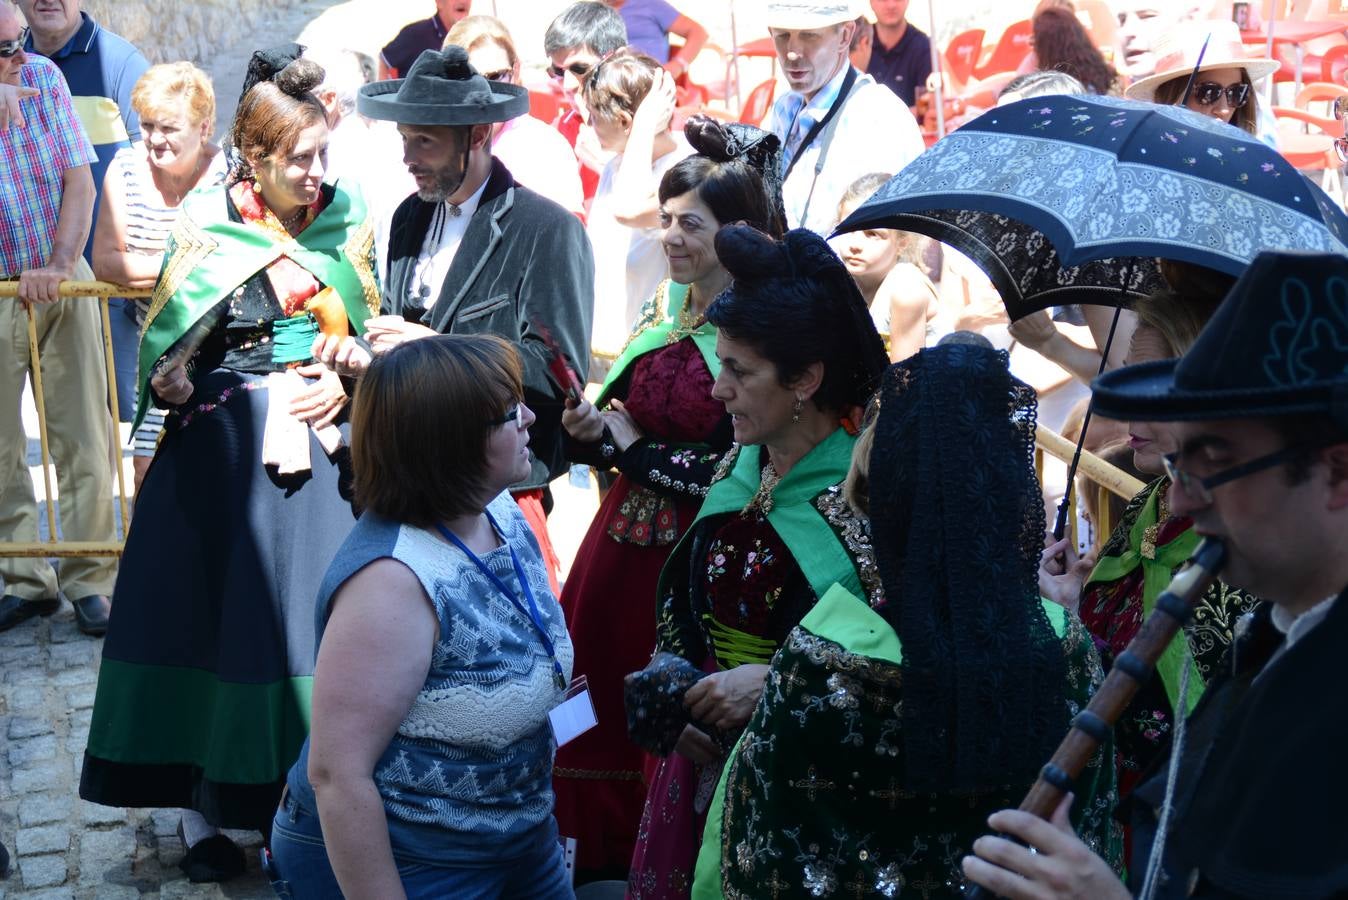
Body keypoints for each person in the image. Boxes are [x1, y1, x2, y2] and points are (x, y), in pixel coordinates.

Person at [79, 50, 380, 883]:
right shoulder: (205, 229)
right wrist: (171, 381)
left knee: (298, 638)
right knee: (208, 628)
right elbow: (172, 357)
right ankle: (200, 811)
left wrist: (342, 370)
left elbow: (371, 333)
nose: (317, 175)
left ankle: (295, 810)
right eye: (299, 160)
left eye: (323, 155)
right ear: (253, 157)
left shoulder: (344, 221)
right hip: (216, 466)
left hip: (316, 469)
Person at [964, 249, 1348, 899]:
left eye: (1215, 460)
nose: (1179, 502)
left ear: (1337, 471)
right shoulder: (1275, 636)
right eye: (1181, 464)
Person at [692, 338, 1124, 899]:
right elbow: (1090, 842)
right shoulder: (1071, 655)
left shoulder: (819, 664)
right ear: (1012, 499)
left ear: (881, 500)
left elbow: (756, 857)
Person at [551, 116, 785, 883]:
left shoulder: (763, 333)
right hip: (619, 543)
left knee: (664, 695)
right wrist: (595, 427)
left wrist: (635, 449)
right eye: (665, 220)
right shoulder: (662, 312)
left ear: (739, 232)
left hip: (699, 550)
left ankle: (654, 858)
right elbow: (625, 429)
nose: (672, 237)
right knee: (588, 683)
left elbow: (736, 459)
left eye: (691, 223)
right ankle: (583, 849)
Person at [625, 225, 889, 898]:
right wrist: (678, 696)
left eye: (739, 372)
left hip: (802, 792)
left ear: (806, 379)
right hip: (705, 764)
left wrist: (775, 684)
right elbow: (684, 612)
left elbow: (895, 670)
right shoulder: (742, 463)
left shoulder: (862, 498)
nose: (718, 392)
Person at [267, 335, 573, 899]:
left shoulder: (498, 508)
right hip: (419, 862)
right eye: (510, 413)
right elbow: (338, 777)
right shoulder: (391, 583)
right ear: (451, 443)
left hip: (523, 839)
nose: (530, 416)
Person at [337, 47, 595, 595]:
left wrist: (439, 347)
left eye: (424, 140)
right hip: (411, 480)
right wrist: (364, 356)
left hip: (497, 493)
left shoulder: (546, 228)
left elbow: (561, 375)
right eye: (405, 138)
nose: (408, 156)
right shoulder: (410, 215)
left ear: (477, 135)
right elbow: (398, 329)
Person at [1036, 290, 1260, 823]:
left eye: (1153, 385)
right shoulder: (1149, 503)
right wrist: (1071, 606)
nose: (1121, 406)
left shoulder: (1253, 543)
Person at [0, 2, 114, 637]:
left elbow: (80, 180)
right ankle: (25, 581)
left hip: (60, 282)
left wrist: (61, 263)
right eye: (5, 51)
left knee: (84, 441)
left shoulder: (45, 77)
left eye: (20, 41)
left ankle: (91, 580)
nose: (20, 56)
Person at [90, 62, 227, 494]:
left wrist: (148, 264)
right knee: (147, 472)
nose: (154, 139)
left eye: (168, 127)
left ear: (204, 128)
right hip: (158, 353)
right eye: (147, 125)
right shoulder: (126, 169)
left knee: (220, 470)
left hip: (223, 349)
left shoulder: (227, 175)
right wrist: (188, 264)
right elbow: (107, 264)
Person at [18, 0, 150, 419]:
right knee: (63, 422)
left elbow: (158, 165)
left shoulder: (120, 63)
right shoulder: (9, 63)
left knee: (122, 420)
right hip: (32, 288)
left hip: (109, 288)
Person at [765, 0, 924, 236]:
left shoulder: (881, 116)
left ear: (845, 36)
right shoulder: (783, 108)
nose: (792, 51)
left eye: (809, 35)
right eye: (783, 35)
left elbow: (913, 234)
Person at [583, 48, 692, 354]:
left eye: (593, 115)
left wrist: (643, 125)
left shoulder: (685, 171)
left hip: (653, 353)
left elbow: (627, 209)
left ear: (624, 121)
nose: (589, 124)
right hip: (605, 350)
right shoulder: (614, 165)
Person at [444, 15, 584, 217]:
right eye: (469, 78)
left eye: (496, 76)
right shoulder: (431, 150)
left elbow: (568, 239)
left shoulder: (546, 147)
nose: (486, 92)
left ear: (516, 70)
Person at [830, 171, 939, 361]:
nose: (854, 244)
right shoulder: (843, 283)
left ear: (902, 242)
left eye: (872, 234)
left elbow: (903, 382)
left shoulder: (906, 290)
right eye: (847, 228)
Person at [1124, 19, 1277, 136]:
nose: (1224, 109)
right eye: (1209, 92)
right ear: (1170, 94)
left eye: (1237, 93)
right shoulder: (1147, 152)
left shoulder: (1250, 159)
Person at [544, 2, 629, 206]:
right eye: (558, 72)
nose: (568, 84)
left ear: (619, 59)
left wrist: (607, 165)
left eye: (580, 69)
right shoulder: (560, 129)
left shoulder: (652, 122)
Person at [603, 0, 707, 78]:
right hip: (609, 86)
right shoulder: (596, 12)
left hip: (649, 85)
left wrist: (677, 65)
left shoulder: (650, 4)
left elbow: (698, 33)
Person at [1030, 6, 1118, 95]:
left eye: (1036, 38)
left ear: (1046, 44)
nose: (1032, 43)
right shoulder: (1103, 73)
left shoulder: (1057, 87)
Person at [378, 0, 470, 79]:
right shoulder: (415, 34)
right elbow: (383, 62)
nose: (462, 1)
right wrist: (387, 96)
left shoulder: (472, 37)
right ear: (439, 2)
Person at [867, 0, 932, 108]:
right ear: (871, 2)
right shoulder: (858, 42)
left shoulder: (923, 46)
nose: (891, 5)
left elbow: (927, 107)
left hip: (911, 124)